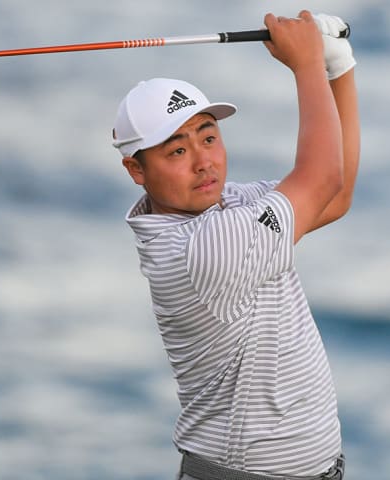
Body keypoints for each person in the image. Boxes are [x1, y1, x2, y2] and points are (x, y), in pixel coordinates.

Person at [112, 10, 359, 480]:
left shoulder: (229, 205)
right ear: (136, 171)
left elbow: (335, 193)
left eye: (209, 137)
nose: (203, 162)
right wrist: (306, 65)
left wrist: (337, 68)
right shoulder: (203, 248)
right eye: (178, 151)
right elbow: (321, 176)